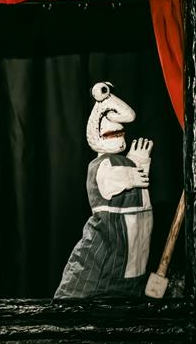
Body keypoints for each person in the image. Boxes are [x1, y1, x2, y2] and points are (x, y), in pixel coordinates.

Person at [54, 82, 153, 298]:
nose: (118, 137)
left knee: (129, 281)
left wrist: (137, 165)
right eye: (111, 134)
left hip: (135, 238)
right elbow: (109, 184)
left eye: (120, 133)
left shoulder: (122, 161)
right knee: (89, 286)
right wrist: (132, 174)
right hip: (110, 241)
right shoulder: (100, 164)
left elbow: (138, 188)